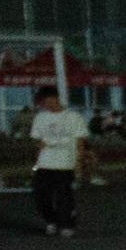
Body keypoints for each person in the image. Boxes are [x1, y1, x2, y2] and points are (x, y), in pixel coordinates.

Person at [28, 84, 92, 236]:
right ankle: (52, 220)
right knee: (41, 197)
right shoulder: (41, 117)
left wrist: (79, 162)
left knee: (64, 196)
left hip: (65, 163)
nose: (44, 105)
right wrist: (36, 161)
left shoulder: (73, 117)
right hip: (45, 163)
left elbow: (80, 141)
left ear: (54, 98)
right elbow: (37, 141)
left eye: (45, 101)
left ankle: (66, 224)